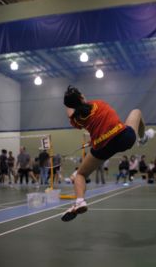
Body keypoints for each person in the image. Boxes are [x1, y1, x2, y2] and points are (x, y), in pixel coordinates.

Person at [61, 86, 150, 222]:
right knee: (136, 111)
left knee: (80, 174)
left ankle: (80, 201)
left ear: (70, 106)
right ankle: (143, 138)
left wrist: (69, 101)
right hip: (123, 138)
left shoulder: (77, 119)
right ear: (82, 98)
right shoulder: (98, 104)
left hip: (103, 148)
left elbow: (71, 113)